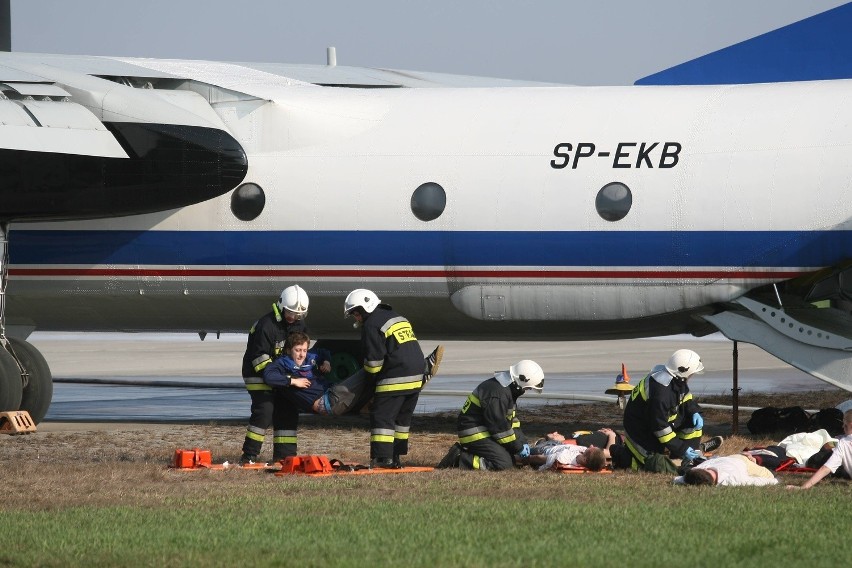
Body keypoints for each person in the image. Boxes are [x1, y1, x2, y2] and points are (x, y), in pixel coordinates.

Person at [239, 285, 331, 464]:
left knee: (287, 411)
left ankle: (285, 457)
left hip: (285, 377)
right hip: (258, 375)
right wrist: (287, 379)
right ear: (281, 306)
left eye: (298, 314)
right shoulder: (266, 326)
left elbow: (303, 350)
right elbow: (260, 361)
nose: (293, 317)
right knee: (264, 411)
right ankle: (249, 455)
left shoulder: (298, 324)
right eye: (290, 313)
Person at [340, 288, 431, 469]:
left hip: (394, 377)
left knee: (382, 417)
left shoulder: (371, 324)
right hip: (416, 376)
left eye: (356, 314)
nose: (356, 318)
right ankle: (396, 457)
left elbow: (373, 363)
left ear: (364, 309)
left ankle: (383, 460)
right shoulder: (396, 317)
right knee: (401, 421)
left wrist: (368, 389)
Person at [436, 360, 545, 471]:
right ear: (521, 380)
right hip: (474, 433)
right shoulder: (497, 393)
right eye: (528, 388)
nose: (527, 390)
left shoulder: (507, 390)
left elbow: (512, 422)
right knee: (503, 464)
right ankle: (459, 458)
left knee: (511, 457)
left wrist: (522, 442)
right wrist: (518, 447)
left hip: (485, 430)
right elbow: (499, 428)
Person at [620, 349, 707, 471]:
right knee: (655, 463)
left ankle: (691, 456)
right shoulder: (661, 393)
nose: (692, 377)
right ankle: (630, 456)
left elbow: (685, 396)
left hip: (653, 422)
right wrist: (682, 449)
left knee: (691, 422)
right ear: (684, 372)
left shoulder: (674, 377)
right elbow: (660, 428)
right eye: (691, 374)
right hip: (640, 432)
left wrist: (694, 411)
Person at [787, 409, 852, 490]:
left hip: (826, 457)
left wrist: (803, 487)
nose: (842, 427)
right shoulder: (841, 441)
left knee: (817, 459)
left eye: (845, 425)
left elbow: (826, 468)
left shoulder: (842, 443)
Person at [523, 428, 618, 471]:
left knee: (533, 449)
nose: (592, 445)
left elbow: (609, 453)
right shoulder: (585, 448)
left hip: (551, 447)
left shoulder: (582, 446)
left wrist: (612, 435)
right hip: (558, 444)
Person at [677, 454, 779, 486]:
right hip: (727, 458)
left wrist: (774, 481)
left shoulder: (732, 479)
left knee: (769, 476)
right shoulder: (699, 468)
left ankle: (753, 458)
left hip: (744, 461)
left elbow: (762, 481)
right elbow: (679, 479)